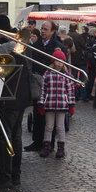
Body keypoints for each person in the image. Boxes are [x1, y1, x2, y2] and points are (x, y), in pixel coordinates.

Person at [0, 18, 32, 189]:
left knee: (3, 137)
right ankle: (15, 176)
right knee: (15, 137)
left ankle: (5, 176)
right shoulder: (22, 44)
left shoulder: (4, 47)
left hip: (8, 97)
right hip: (21, 97)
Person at [24, 20, 66, 153]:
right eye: (42, 28)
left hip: (52, 86)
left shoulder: (58, 46)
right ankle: (37, 141)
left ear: (53, 31)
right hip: (38, 82)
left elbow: (63, 65)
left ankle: (49, 143)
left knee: (50, 117)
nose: (42, 31)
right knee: (37, 113)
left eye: (46, 29)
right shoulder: (35, 45)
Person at [37, 49, 77, 158]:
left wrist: (71, 104)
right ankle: (46, 146)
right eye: (57, 60)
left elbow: (70, 90)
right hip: (49, 103)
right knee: (49, 126)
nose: (59, 63)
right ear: (53, 61)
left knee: (60, 127)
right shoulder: (47, 73)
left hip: (62, 104)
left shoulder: (66, 75)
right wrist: (41, 102)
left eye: (61, 61)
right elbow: (43, 89)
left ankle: (61, 148)